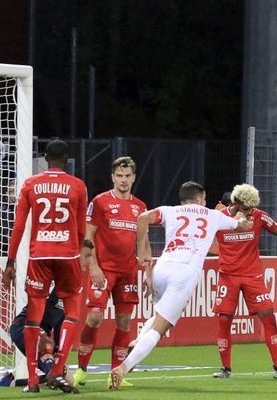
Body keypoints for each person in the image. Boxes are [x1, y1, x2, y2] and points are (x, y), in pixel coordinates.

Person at [108, 181, 251, 389]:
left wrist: (143, 252)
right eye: (204, 199)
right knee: (160, 327)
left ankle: (138, 340)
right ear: (200, 199)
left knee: (158, 316)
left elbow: (142, 218)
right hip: (185, 272)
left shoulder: (170, 210)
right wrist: (241, 215)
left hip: (161, 268)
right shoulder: (212, 214)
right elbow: (243, 225)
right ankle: (123, 368)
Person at [2, 139, 87, 393]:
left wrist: (11, 260)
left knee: (33, 317)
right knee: (72, 311)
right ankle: (58, 367)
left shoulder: (31, 184)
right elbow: (81, 227)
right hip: (68, 254)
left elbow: (18, 226)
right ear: (66, 159)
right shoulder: (78, 186)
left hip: (40, 255)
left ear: (45, 158)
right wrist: (77, 250)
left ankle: (31, 380)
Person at [73, 156, 147, 387]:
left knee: (125, 323)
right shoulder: (101, 201)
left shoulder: (140, 207)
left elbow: (143, 242)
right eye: (119, 176)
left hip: (128, 272)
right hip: (104, 271)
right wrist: (93, 266)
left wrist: (147, 270)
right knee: (94, 318)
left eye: (127, 176)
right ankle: (82, 370)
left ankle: (115, 373)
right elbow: (88, 236)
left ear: (133, 178)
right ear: (112, 177)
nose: (123, 180)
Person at [211, 184, 277, 379]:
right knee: (224, 320)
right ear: (236, 203)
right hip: (227, 276)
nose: (250, 213)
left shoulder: (258, 215)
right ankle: (226, 369)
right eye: (246, 209)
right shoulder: (219, 217)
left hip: (252, 276)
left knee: (269, 318)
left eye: (252, 209)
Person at [0, 289, 64, 387]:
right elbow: (34, 312)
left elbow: (60, 325)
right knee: (54, 374)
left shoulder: (69, 298)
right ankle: (12, 381)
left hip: (41, 333)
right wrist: (42, 338)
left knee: (64, 376)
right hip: (23, 327)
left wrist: (57, 352)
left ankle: (13, 381)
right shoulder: (51, 290)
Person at [0, 179, 16, 256]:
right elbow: (1, 237)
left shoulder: (25, 208)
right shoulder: (0, 211)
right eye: (12, 191)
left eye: (16, 190)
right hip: (4, 253)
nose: (14, 194)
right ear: (7, 193)